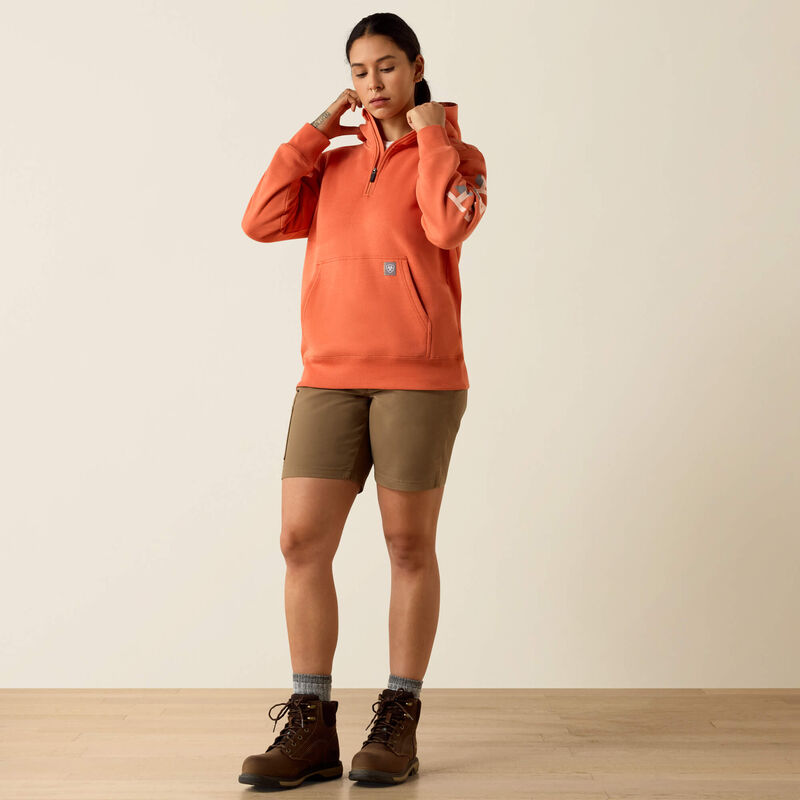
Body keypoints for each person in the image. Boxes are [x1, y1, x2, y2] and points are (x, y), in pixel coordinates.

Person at [237, 11, 488, 789]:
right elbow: (260, 220)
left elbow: (448, 226)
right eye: (357, 72)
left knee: (408, 546)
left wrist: (433, 132)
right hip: (328, 376)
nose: (371, 83)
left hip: (419, 378)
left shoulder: (458, 158)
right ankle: (310, 724)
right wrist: (315, 132)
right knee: (300, 542)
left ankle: (398, 718)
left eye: (385, 66)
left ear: (416, 66)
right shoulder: (335, 164)